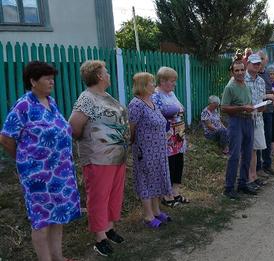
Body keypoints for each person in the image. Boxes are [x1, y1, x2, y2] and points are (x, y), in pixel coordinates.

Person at [0, 61, 81, 261]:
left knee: (58, 217)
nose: (52, 81)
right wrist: (24, 160)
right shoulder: (24, 105)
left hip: (60, 172)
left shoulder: (50, 103)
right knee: (42, 221)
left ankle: (58, 257)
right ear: (33, 81)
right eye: (47, 78)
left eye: (52, 77)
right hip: (38, 177)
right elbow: (5, 137)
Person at [69, 60, 128, 257]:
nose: (109, 74)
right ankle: (100, 238)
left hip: (116, 157)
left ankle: (109, 228)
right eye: (106, 72)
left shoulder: (106, 96)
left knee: (113, 195)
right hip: (97, 158)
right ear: (99, 76)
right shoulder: (87, 98)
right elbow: (74, 126)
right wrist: (90, 143)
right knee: (98, 197)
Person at [128, 72, 172, 229]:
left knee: (156, 178)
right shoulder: (136, 104)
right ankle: (148, 216)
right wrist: (134, 144)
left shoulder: (152, 101)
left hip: (159, 150)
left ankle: (156, 210)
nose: (154, 85)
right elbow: (131, 128)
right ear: (143, 86)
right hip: (145, 151)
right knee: (145, 180)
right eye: (151, 83)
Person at [152, 67, 190, 207]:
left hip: (178, 136)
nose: (174, 84)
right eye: (172, 81)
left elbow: (180, 108)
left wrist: (177, 110)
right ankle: (166, 195)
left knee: (178, 163)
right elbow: (160, 112)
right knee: (168, 164)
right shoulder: (155, 95)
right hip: (167, 137)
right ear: (162, 81)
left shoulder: (171, 94)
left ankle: (175, 192)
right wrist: (176, 110)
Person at [220, 60, 255, 199]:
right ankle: (229, 188)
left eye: (242, 70)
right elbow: (223, 108)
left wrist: (256, 107)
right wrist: (242, 108)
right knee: (234, 155)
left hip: (248, 121)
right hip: (236, 122)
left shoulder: (245, 85)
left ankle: (243, 183)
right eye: (237, 70)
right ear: (232, 72)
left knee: (247, 154)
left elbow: (248, 103)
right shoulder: (230, 87)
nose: (240, 73)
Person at [245, 54, 270, 191]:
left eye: (258, 64)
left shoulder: (261, 81)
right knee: (248, 149)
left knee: (255, 149)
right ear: (248, 63)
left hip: (258, 118)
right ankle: (247, 178)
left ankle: (253, 176)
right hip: (245, 118)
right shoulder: (242, 79)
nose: (256, 65)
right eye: (254, 63)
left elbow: (261, 99)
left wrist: (264, 105)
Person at [257, 50, 274, 176]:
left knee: (268, 137)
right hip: (259, 110)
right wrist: (268, 94)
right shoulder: (254, 74)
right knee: (259, 139)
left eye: (262, 59)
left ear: (266, 61)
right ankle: (258, 167)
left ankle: (267, 165)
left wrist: (272, 92)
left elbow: (268, 87)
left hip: (269, 109)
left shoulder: (266, 73)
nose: (260, 62)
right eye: (259, 59)